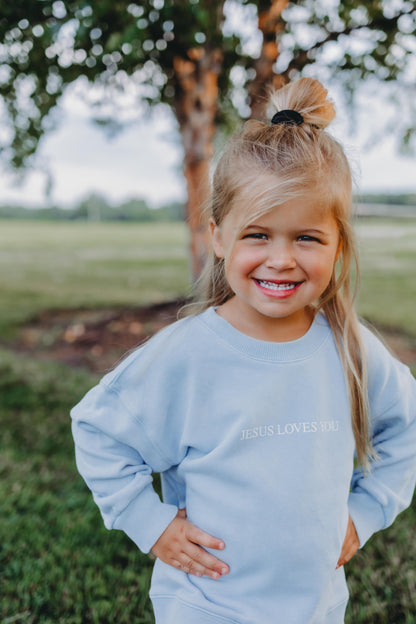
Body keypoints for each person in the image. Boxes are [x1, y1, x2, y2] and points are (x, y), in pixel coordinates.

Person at [71, 77, 416, 624]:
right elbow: (97, 431)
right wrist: (150, 523)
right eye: (258, 234)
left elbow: (408, 425)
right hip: (207, 605)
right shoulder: (187, 354)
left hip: (316, 607)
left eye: (307, 238)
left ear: (338, 246)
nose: (281, 258)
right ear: (219, 236)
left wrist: (366, 511)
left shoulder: (349, 348)